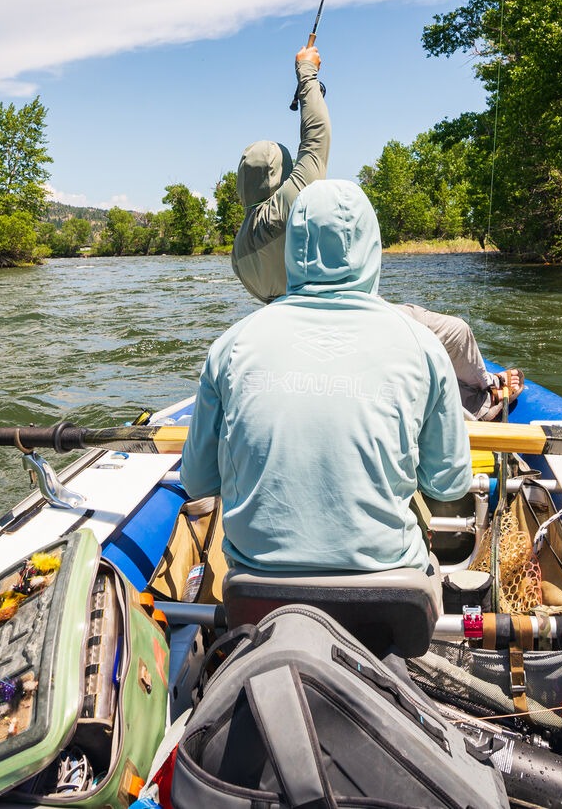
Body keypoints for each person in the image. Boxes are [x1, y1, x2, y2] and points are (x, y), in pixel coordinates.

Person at [183, 179, 472, 574]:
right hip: (388, 593)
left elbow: (198, 482)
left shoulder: (232, 344)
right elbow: (449, 484)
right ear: (373, 248)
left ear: (291, 248)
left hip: (256, 590)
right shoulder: (422, 346)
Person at [230, 43, 522, 420]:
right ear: (279, 176)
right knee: (455, 331)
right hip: (346, 315)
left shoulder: (239, 248)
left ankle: (473, 392)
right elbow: (316, 137)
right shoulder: (286, 204)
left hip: (292, 330)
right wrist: (307, 73)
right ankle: (486, 396)